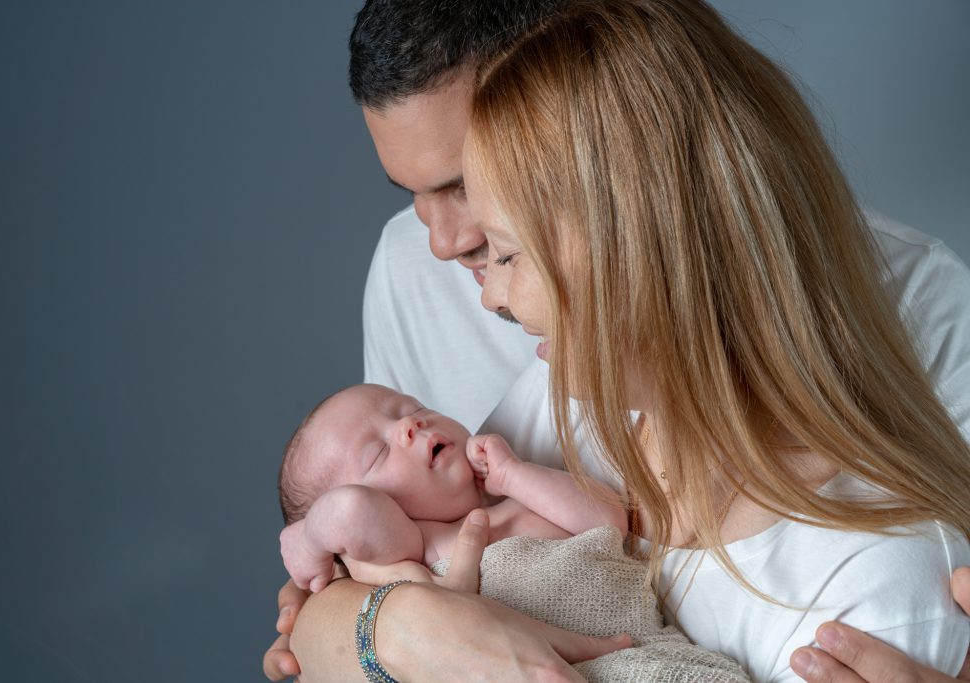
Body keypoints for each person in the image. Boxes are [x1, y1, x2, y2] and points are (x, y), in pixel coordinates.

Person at [263, 1, 970, 681]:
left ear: (622, 231)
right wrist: (388, 627)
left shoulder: (861, 570)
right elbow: (351, 581)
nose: (453, 258)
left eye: (503, 246)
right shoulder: (571, 387)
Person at [276, 383, 751, 682]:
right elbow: (350, 511)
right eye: (376, 454)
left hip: (640, 653)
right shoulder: (411, 546)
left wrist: (514, 475)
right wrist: (310, 537)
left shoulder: (519, 495)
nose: (407, 425)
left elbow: (608, 522)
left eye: (410, 406)